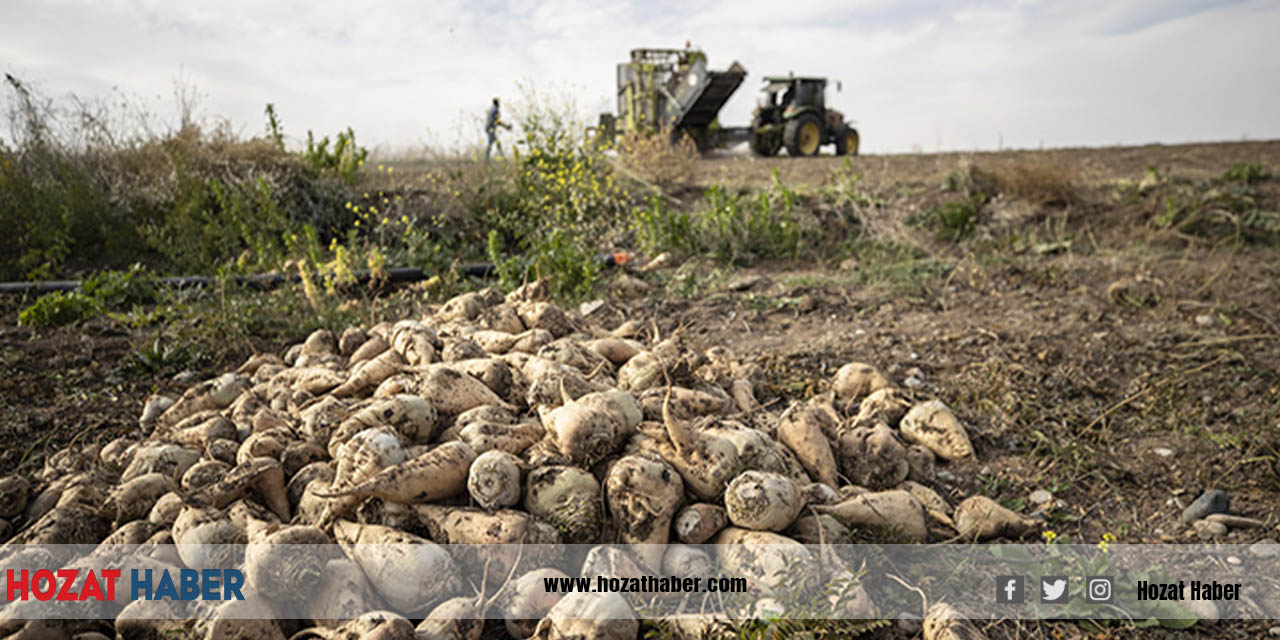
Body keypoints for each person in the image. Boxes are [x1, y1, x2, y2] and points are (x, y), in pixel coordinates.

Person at [484, 97, 512, 162]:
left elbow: (495, 121)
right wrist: (506, 126)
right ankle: (486, 160)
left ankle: (502, 157)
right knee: (491, 143)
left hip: (489, 128)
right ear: (497, 103)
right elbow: (497, 121)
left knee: (497, 143)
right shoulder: (496, 110)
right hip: (491, 128)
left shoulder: (491, 109)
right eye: (498, 102)